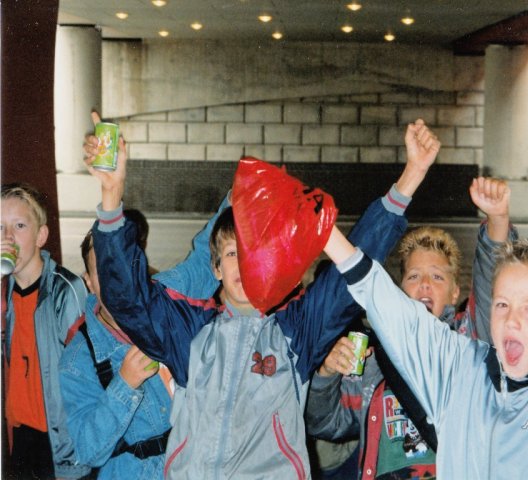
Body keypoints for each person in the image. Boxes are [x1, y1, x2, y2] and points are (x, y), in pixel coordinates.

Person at [83, 111, 440, 479]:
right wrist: (111, 194)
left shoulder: (296, 331)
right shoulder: (190, 330)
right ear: (216, 268)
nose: (243, 263)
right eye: (231, 254)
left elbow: (350, 272)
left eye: (253, 252)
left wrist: (411, 176)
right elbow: (128, 300)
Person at [321, 213, 528, 479]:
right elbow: (389, 304)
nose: (512, 319)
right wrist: (321, 227)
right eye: (502, 305)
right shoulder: (458, 373)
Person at [306, 177, 515, 479]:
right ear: (400, 290)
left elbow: (491, 286)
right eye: (414, 276)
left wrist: (498, 220)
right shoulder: (372, 358)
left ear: (455, 293)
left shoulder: (469, 340)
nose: (425, 284)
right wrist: (326, 374)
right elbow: (325, 423)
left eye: (437, 277)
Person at [58, 229, 173, 479]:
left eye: (122, 265)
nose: (114, 279)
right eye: (102, 270)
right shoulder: (77, 361)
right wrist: (125, 385)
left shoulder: (169, 316)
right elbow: (87, 451)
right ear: (89, 282)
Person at [1, 183, 91, 479]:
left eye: (19, 226)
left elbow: (85, 375)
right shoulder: (4, 292)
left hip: (58, 442)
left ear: (41, 236)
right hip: (18, 437)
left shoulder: (65, 290)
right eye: (0, 227)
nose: (8, 237)